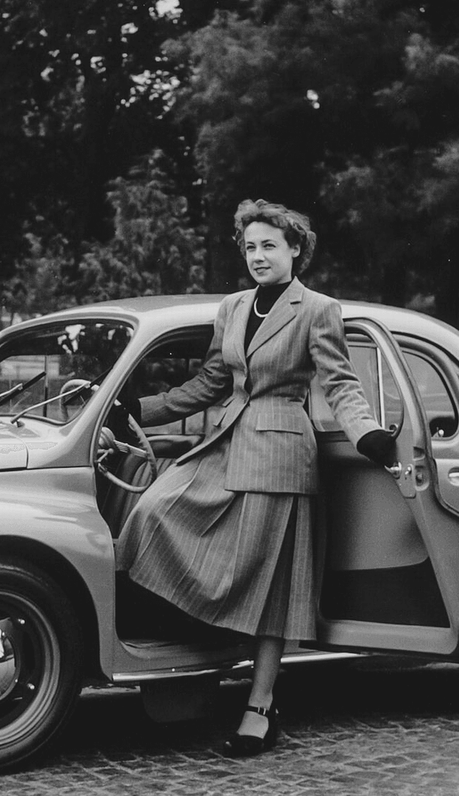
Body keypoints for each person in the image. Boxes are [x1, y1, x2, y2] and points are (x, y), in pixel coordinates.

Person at [116, 199, 395, 757]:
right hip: (224, 444)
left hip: (281, 453)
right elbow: (210, 384)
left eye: (270, 245)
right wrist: (135, 410)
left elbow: (339, 383)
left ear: (296, 249)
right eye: (250, 247)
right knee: (152, 513)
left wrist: (366, 433)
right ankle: (193, 651)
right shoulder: (234, 307)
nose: (258, 256)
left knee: (271, 587)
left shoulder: (318, 309)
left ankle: (260, 706)